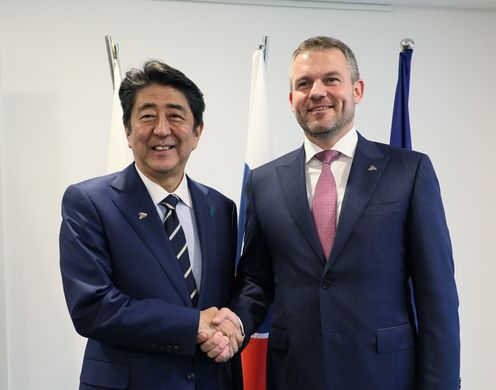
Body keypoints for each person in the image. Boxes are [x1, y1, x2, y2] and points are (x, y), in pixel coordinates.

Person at [211, 36, 461, 389]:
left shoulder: (409, 172)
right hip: (295, 375)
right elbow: (257, 280)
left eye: (331, 79)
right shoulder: (264, 183)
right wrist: (234, 323)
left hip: (386, 375)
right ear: (291, 99)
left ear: (357, 90)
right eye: (304, 83)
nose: (316, 92)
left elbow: (436, 293)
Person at [59, 60, 243, 390]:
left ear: (197, 131)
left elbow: (228, 296)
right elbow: (92, 307)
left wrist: (231, 327)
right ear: (128, 131)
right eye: (147, 116)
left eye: (175, 115)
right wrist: (192, 325)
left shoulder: (221, 208)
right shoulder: (89, 202)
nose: (161, 130)